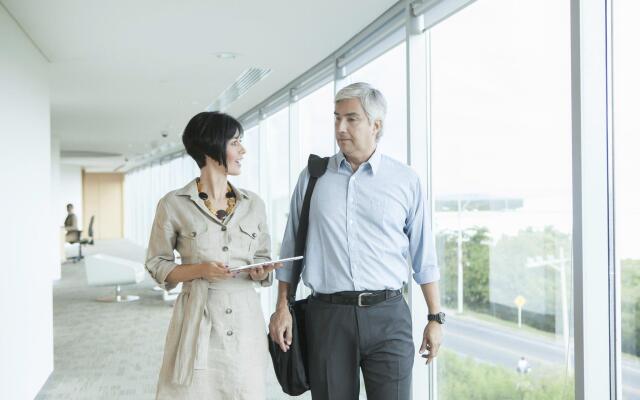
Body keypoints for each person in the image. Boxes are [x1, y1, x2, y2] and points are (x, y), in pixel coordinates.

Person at [269, 82, 444, 400]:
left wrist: (435, 317)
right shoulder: (312, 177)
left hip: (388, 315)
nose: (340, 128)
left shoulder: (405, 180)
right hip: (328, 317)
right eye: (336, 118)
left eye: (351, 119)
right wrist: (282, 307)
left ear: (376, 125)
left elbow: (424, 255)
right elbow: (291, 249)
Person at [146, 111, 281, 400]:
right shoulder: (173, 204)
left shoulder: (254, 204)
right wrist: (201, 270)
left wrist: (262, 272)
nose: (242, 150)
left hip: (246, 323)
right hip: (197, 320)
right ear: (210, 148)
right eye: (235, 143)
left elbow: (262, 256)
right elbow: (157, 264)